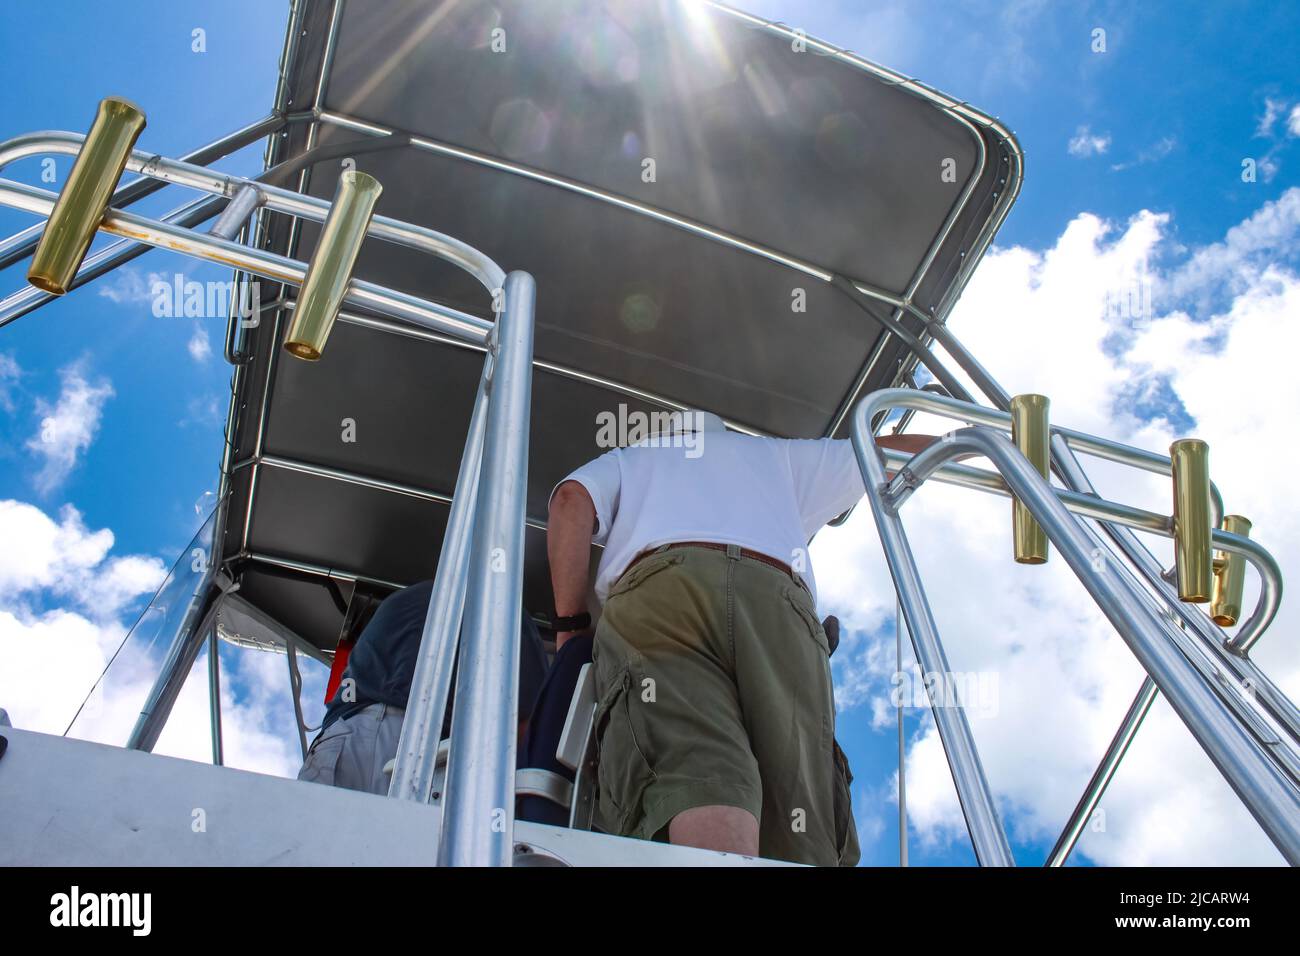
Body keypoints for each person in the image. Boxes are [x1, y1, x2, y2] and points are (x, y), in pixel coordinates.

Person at [546, 409, 938, 865]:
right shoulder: (777, 456)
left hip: (662, 599)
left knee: (693, 771)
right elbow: (894, 454)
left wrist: (570, 631)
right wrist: (983, 441)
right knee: (800, 806)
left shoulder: (634, 456)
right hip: (778, 602)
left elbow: (570, 502)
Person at [297, 579, 547, 795]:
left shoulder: (403, 599)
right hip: (415, 745)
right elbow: (526, 727)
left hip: (345, 732)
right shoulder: (506, 615)